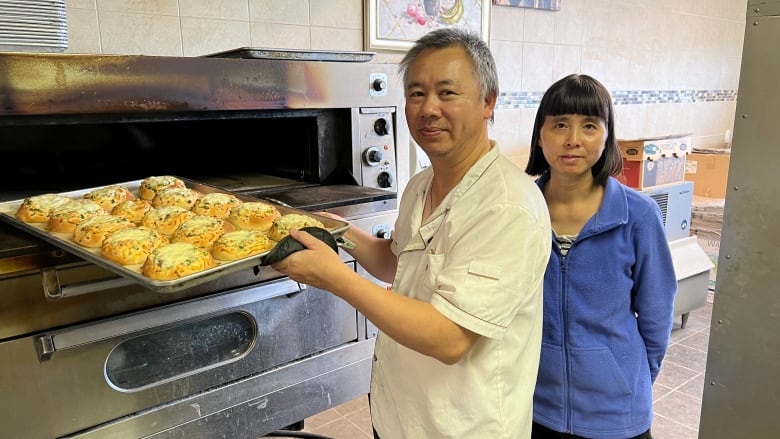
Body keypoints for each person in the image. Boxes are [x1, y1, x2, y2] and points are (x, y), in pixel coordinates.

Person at [271, 28, 551, 438]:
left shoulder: (507, 206)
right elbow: (396, 263)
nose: (428, 109)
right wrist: (338, 230)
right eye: (416, 93)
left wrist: (335, 277)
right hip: (401, 417)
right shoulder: (422, 184)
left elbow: (449, 337)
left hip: (463, 427)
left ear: (487, 101)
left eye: (447, 93)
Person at [524, 74, 678, 439]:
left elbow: (657, 316)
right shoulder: (519, 210)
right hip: (534, 406)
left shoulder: (636, 215)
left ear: (607, 135)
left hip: (616, 414)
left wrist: (627, 378)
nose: (573, 140)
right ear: (540, 134)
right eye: (560, 124)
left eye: (589, 126)